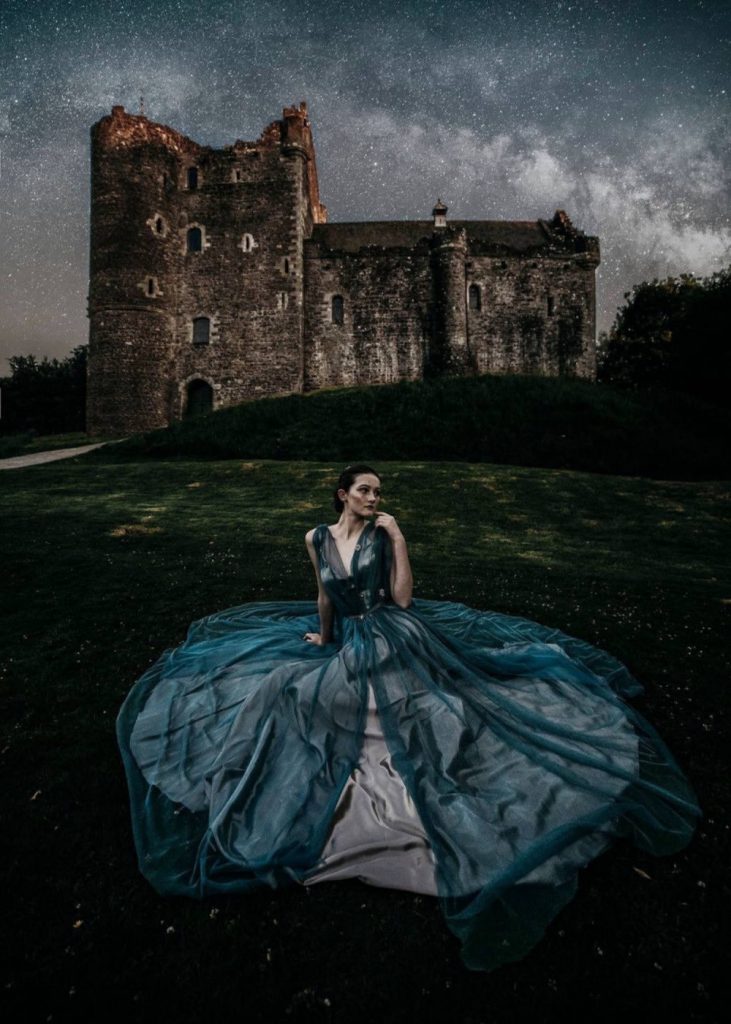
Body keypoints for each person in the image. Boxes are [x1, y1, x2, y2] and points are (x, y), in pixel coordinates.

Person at [116, 464, 701, 972]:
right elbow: (323, 595)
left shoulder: (382, 532)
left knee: (402, 707)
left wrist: (398, 537)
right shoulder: (315, 537)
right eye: (366, 491)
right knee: (280, 687)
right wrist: (322, 637)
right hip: (346, 638)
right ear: (342, 493)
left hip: (395, 634)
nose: (375, 498)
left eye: (378, 493)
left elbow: (401, 600)